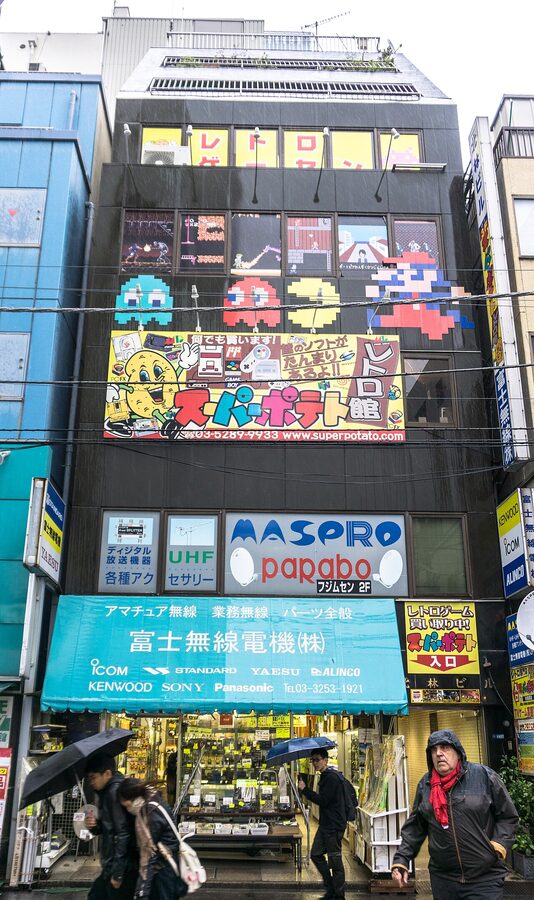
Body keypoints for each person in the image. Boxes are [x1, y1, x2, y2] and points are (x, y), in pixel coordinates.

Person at [391, 729, 518, 899]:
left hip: (484, 878)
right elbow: (415, 827)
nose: (439, 754)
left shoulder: (483, 776)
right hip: (443, 879)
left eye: (445, 748)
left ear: (458, 753)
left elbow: (508, 816)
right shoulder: (426, 785)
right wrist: (402, 859)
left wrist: (497, 846)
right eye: (434, 750)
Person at [117, 777, 186, 900]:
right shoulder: (152, 800)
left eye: (126, 805)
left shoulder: (150, 812)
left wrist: (142, 892)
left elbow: (150, 855)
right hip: (166, 866)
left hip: (163, 871)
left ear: (132, 798)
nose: (127, 809)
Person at [85, 754, 138, 900]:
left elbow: (123, 833)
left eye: (93, 777)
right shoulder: (107, 792)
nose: (91, 782)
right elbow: (110, 828)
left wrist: (118, 873)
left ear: (107, 774)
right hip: (116, 865)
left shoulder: (113, 792)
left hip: (121, 866)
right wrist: (95, 826)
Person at [298, 749, 347, 900]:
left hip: (333, 825)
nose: (314, 763)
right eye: (312, 760)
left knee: (335, 861)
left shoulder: (331, 778)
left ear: (325, 760)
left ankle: (338, 894)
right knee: (316, 854)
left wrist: (304, 789)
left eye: (317, 759)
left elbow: (323, 801)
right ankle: (331, 887)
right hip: (326, 824)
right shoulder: (325, 776)